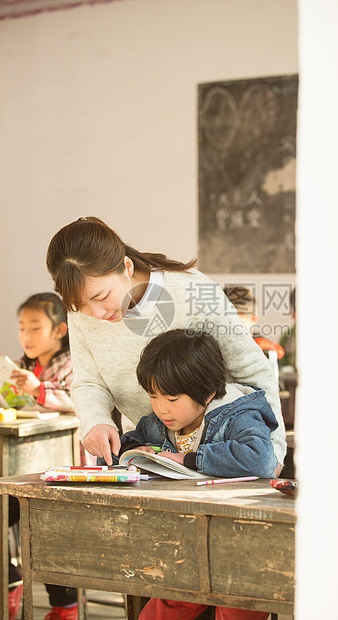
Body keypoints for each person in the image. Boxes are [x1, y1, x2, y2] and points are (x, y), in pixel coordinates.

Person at [45, 217, 286, 475]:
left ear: (126, 266)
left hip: (221, 452)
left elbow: (252, 372)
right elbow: (89, 381)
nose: (96, 313)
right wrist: (97, 421)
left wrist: (275, 451)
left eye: (102, 296)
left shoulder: (191, 289)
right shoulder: (82, 313)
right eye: (79, 305)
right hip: (152, 451)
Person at [120, 328, 276, 620]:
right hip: (186, 546)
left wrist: (190, 458)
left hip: (241, 544)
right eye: (153, 396)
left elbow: (260, 459)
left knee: (238, 604)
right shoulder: (159, 422)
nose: (161, 408)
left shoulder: (237, 415)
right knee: (161, 610)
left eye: (172, 398)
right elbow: (129, 439)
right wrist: (137, 449)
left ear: (208, 393)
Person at [9, 292, 78, 620]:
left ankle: (63, 607)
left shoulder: (72, 363)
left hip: (65, 468)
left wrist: (37, 389)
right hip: (22, 467)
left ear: (60, 330)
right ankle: (11, 583)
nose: (26, 336)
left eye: (35, 328)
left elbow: (77, 400)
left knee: (49, 529)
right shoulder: (22, 366)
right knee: (7, 513)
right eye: (22, 328)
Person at [222, 285, 285, 385]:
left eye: (238, 325)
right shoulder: (212, 348)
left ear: (253, 319)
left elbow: (275, 394)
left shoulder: (265, 351)